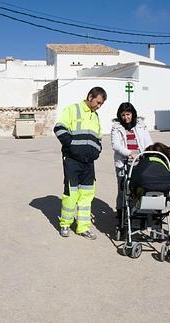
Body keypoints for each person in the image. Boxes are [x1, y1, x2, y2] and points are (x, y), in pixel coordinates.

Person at [53, 87, 106, 240]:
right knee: (71, 194)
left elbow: (99, 137)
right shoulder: (73, 109)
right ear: (90, 96)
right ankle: (65, 224)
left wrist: (96, 151)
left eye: (101, 104)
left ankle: (83, 227)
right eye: (98, 102)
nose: (99, 106)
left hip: (89, 163)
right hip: (72, 161)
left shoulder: (95, 116)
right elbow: (59, 128)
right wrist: (72, 146)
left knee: (87, 196)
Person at [110, 102, 153, 227]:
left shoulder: (140, 126)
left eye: (128, 114)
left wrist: (149, 152)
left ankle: (137, 213)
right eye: (123, 115)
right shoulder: (116, 127)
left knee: (139, 188)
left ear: (132, 113)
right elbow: (116, 145)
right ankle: (121, 214)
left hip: (140, 162)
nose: (126, 117)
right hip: (124, 162)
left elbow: (147, 141)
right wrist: (130, 153)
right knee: (123, 189)